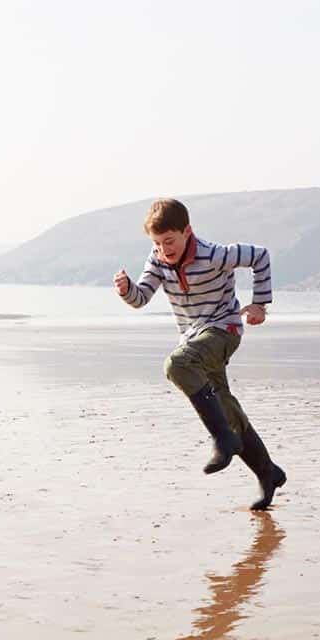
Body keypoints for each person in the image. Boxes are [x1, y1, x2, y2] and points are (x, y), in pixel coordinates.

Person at [116, 198, 286, 510]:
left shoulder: (214, 255)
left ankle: (224, 440)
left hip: (224, 330)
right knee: (224, 407)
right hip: (194, 339)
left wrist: (260, 304)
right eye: (157, 243)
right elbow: (141, 298)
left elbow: (260, 256)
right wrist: (126, 289)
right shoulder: (157, 261)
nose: (164, 249)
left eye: (170, 241)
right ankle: (267, 472)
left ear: (187, 232)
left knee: (177, 364)